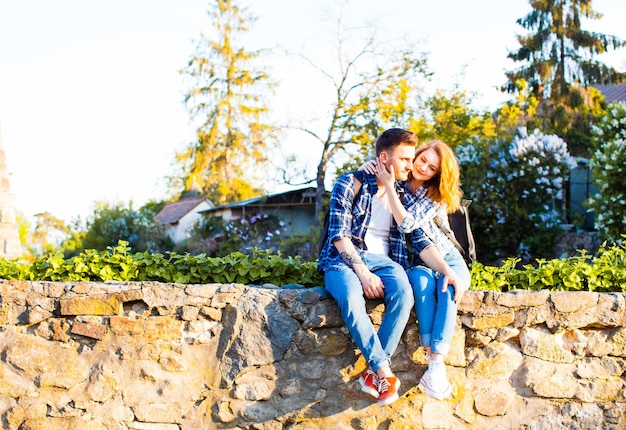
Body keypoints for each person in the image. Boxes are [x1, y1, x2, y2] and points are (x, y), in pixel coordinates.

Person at [318, 128, 430, 406]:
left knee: (404, 293)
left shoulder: (403, 193)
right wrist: (363, 272)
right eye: (404, 159)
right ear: (383, 157)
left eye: (411, 158)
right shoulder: (350, 182)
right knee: (350, 296)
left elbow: (420, 230)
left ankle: (372, 374)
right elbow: (340, 236)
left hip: (387, 264)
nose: (410, 165)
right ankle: (383, 371)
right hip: (343, 259)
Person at [364, 139, 471, 401]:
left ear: (438, 173)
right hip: (417, 260)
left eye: (432, 167)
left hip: (446, 256)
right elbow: (381, 171)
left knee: (449, 288)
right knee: (421, 287)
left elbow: (407, 224)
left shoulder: (435, 197)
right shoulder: (397, 182)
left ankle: (436, 365)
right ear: (415, 156)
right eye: (422, 160)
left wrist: (388, 184)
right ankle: (431, 364)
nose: (423, 168)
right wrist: (373, 167)